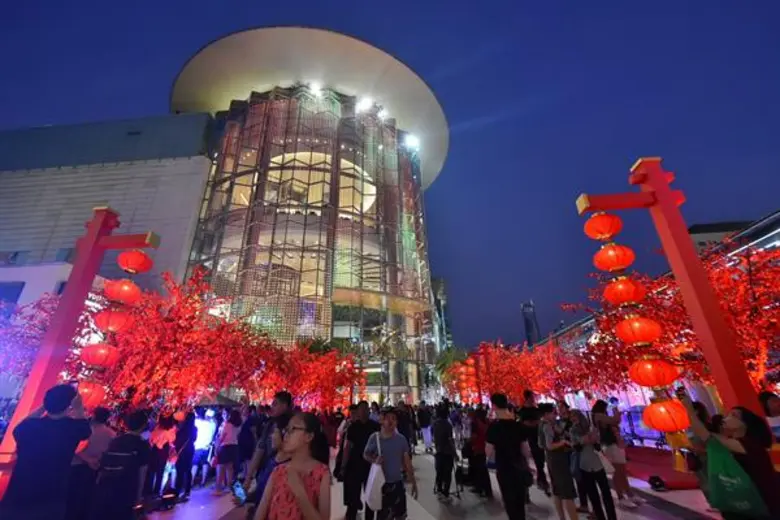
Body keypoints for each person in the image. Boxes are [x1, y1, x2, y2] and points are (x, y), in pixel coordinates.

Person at [679, 388, 780, 519]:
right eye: (728, 414)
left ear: (744, 424)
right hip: (744, 499)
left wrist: (689, 409)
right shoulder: (734, 442)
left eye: (734, 416)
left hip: (759, 501)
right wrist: (688, 408)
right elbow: (707, 436)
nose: (726, 418)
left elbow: (707, 437)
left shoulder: (749, 444)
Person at [0, 384, 91, 520]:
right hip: (50, 497)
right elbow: (85, 429)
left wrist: (45, 406)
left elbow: (23, 424)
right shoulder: (72, 428)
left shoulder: (29, 426)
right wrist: (78, 408)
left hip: (19, 493)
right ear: (70, 405)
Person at [253, 412, 330, 520]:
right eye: (286, 430)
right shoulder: (278, 471)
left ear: (309, 436)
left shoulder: (322, 473)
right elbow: (260, 514)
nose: (286, 435)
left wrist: (300, 492)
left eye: (292, 429)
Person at [89, 410, 151, 520]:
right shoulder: (142, 445)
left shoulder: (116, 440)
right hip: (127, 486)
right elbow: (142, 472)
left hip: (107, 484)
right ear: (143, 426)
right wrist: (139, 495)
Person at [364, 408, 419, 519]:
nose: (391, 422)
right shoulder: (375, 438)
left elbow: (406, 462)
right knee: (384, 516)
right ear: (381, 420)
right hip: (382, 485)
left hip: (397, 484)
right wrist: (374, 460)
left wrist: (413, 482)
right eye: (387, 418)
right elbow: (365, 454)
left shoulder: (401, 439)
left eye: (394, 419)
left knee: (400, 516)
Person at [486, 393, 532, 520]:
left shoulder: (494, 427)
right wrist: (527, 465)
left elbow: (488, 451)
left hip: (504, 469)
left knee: (510, 502)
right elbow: (526, 450)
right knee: (519, 502)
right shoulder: (517, 424)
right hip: (519, 467)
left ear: (494, 406)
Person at [67, 406, 116, 520]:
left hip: (76, 466)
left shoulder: (85, 430)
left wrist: (86, 459)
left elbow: (73, 448)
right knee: (86, 497)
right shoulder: (111, 434)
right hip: (95, 468)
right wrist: (94, 461)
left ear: (94, 415)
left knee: (72, 497)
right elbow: (108, 454)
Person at [591, 399, 642, 508]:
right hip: (610, 445)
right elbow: (615, 420)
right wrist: (616, 412)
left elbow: (615, 422)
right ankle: (621, 497)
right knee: (618, 472)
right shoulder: (598, 416)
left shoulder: (601, 416)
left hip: (615, 444)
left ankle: (630, 494)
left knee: (622, 472)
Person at [244, 392, 294, 498]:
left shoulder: (293, 426)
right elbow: (259, 450)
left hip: (285, 478)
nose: (272, 407)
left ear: (285, 405)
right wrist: (248, 479)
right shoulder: (270, 424)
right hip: (265, 473)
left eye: (275, 404)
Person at [570, 410, 617, 520]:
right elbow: (576, 448)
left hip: (597, 465)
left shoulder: (591, 427)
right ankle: (600, 517)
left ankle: (612, 517)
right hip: (584, 466)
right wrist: (583, 441)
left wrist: (593, 440)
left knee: (606, 495)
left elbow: (597, 445)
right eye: (571, 416)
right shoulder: (573, 431)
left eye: (574, 415)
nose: (573, 418)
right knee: (593, 496)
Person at [340, 401, 380, 520]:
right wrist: (343, 466)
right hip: (354, 466)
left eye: (366, 409)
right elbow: (348, 447)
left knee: (370, 497)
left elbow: (380, 445)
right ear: (357, 412)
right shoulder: (353, 427)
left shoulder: (375, 426)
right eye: (361, 410)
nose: (363, 412)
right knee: (353, 497)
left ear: (369, 410)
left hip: (370, 466)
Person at [539, 403, 578, 520]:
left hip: (551, 460)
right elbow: (549, 445)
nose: (555, 414)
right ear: (546, 414)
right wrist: (563, 443)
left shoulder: (542, 424)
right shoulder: (547, 426)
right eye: (553, 412)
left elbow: (541, 444)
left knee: (557, 491)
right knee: (567, 493)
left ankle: (562, 517)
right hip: (558, 461)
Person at [518, 389, 550, 497]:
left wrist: (534, 423)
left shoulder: (537, 410)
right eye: (532, 396)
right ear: (527, 398)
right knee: (529, 461)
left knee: (540, 459)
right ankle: (533, 483)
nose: (534, 398)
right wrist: (534, 422)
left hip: (538, 437)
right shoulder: (522, 411)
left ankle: (542, 479)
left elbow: (537, 422)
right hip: (527, 438)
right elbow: (526, 423)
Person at [145, 412, 176, 497]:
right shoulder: (171, 429)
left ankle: (148, 491)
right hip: (163, 452)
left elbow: (151, 439)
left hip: (155, 450)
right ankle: (156, 492)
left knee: (151, 471)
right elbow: (172, 440)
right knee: (160, 472)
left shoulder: (157, 428)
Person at [432, 404, 457, 497]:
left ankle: (439, 488)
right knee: (447, 473)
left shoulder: (435, 424)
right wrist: (455, 453)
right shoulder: (448, 425)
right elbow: (450, 440)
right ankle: (446, 490)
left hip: (438, 450)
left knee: (439, 471)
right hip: (447, 451)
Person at [215, 408, 242, 494]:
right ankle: (229, 487)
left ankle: (218, 489)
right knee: (229, 469)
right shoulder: (237, 426)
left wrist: (217, 447)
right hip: (234, 447)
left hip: (225, 447)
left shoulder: (227, 424)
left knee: (220, 468)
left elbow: (222, 437)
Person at [174, 411, 198, 500]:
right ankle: (187, 490)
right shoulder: (194, 428)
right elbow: (195, 439)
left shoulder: (182, 429)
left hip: (181, 451)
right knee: (188, 470)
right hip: (190, 450)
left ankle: (178, 490)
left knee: (179, 471)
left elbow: (177, 441)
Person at [470, 407, 493, 498]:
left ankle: (480, 488)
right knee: (483, 469)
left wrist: (469, 442)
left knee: (478, 469)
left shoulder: (475, 423)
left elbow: (474, 436)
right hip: (485, 447)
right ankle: (486, 490)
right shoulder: (487, 422)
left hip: (477, 447)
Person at [193, 408, 217, 487]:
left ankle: (191, 481)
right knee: (205, 464)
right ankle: (203, 481)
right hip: (207, 447)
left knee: (195, 464)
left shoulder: (200, 423)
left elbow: (196, 419)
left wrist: (194, 411)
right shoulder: (213, 424)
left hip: (198, 446)